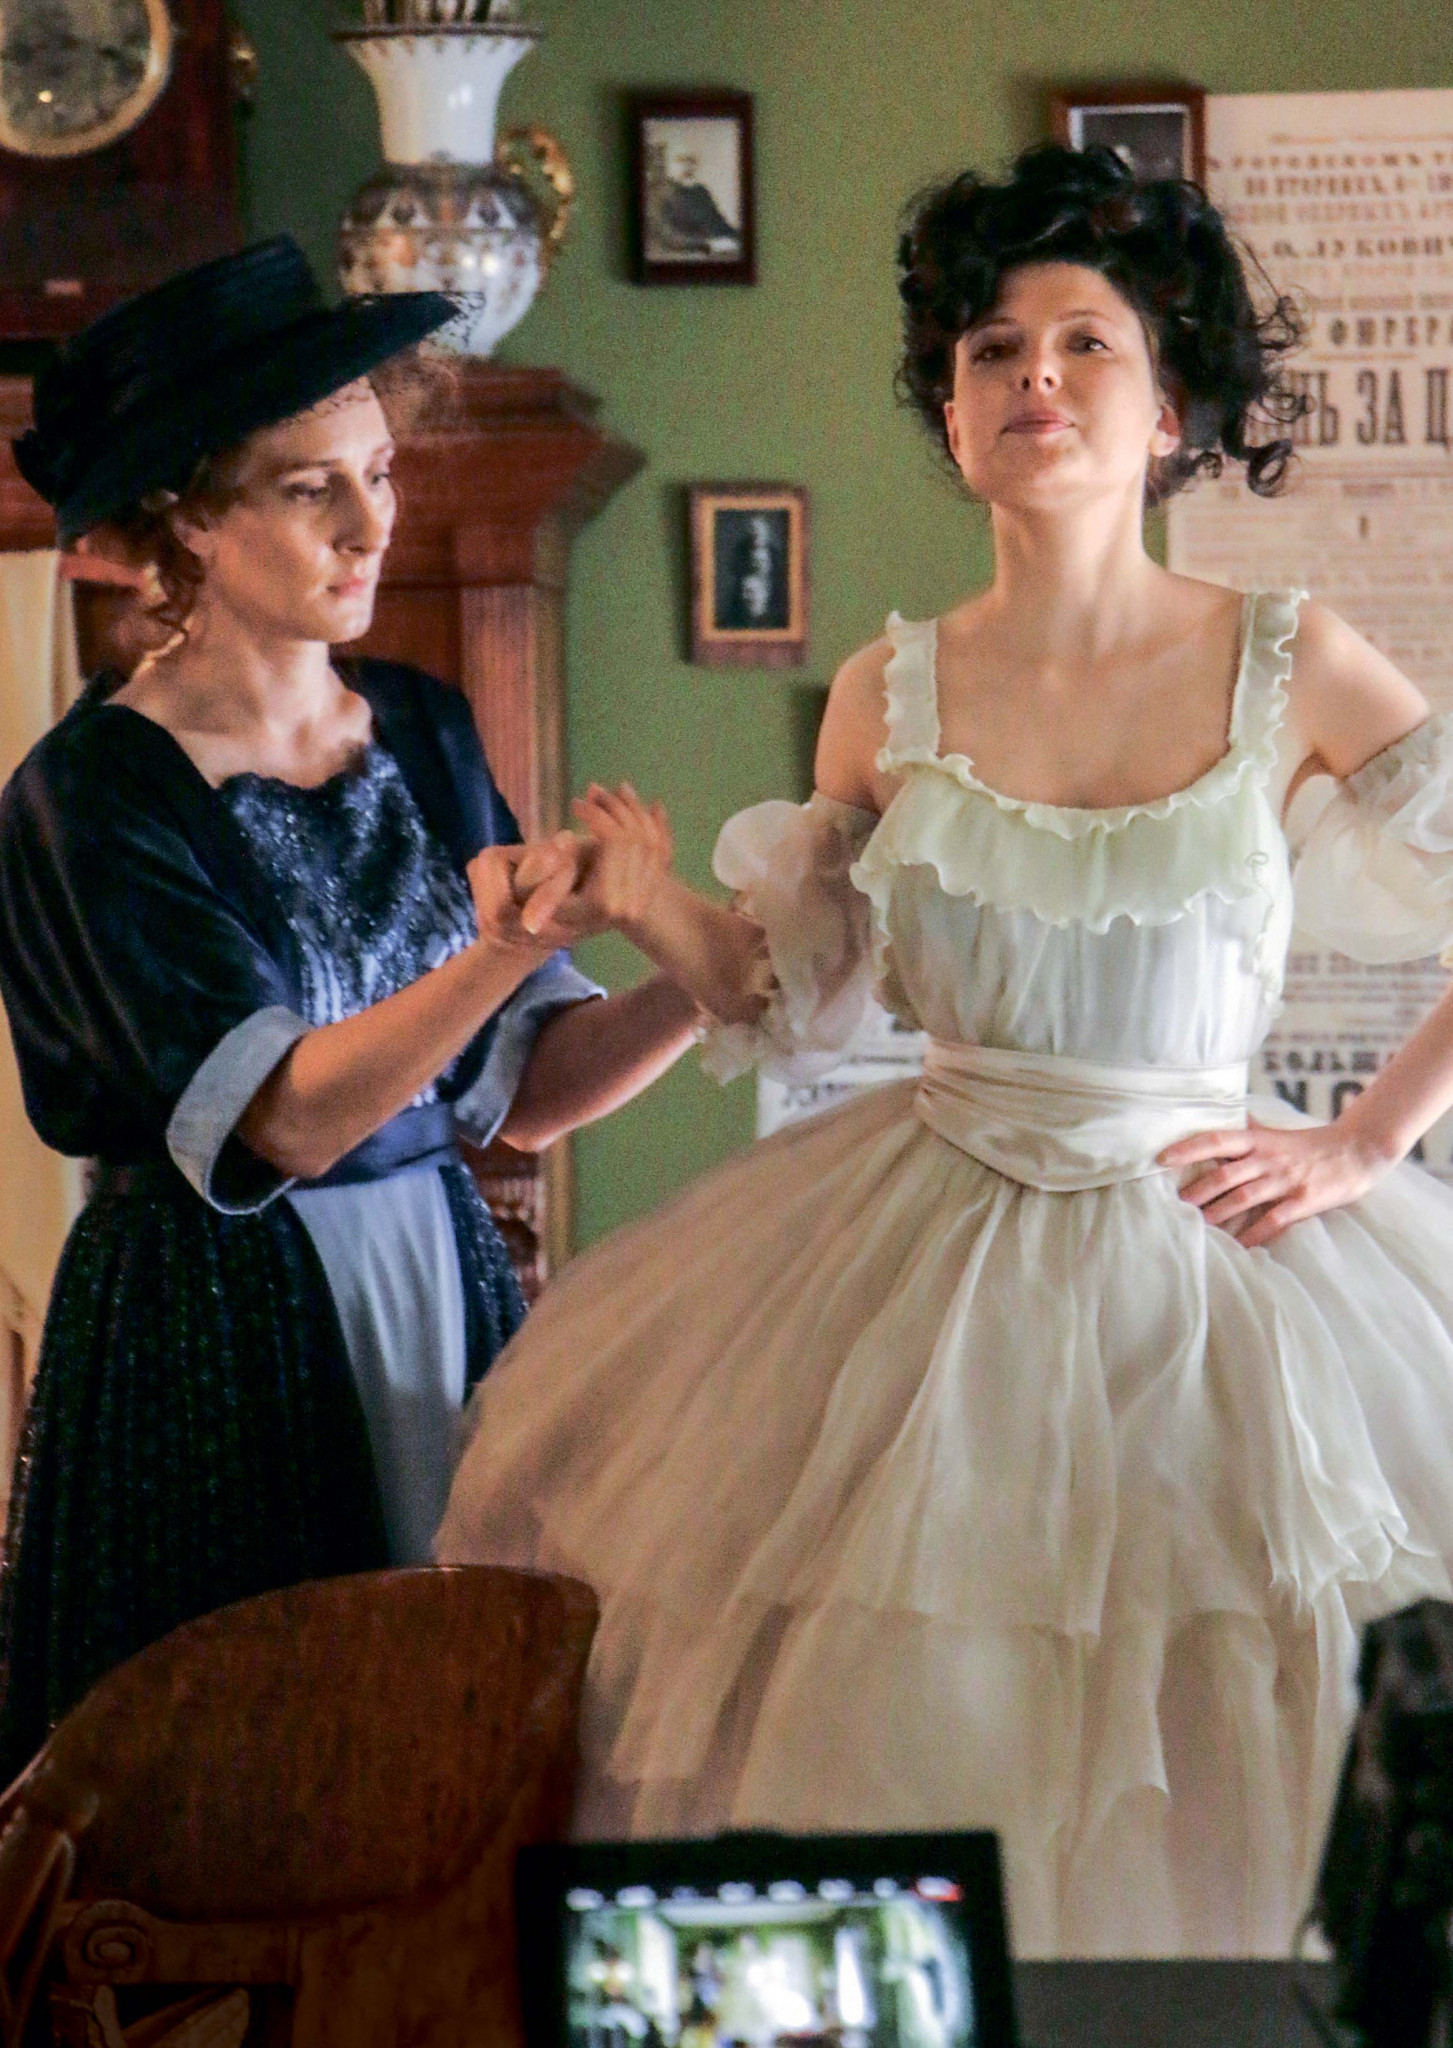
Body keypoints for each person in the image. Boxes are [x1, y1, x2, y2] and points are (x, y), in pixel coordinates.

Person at [438, 143, 1453, 1958]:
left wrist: (1364, 1143)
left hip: (1213, 1249)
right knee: (916, 1726)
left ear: (1168, 413)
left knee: (1241, 1718)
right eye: (990, 350)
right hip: (928, 1248)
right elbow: (800, 996)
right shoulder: (884, 691)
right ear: (953, 411)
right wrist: (647, 904)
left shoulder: (1287, 657)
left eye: (1084, 344)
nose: (1032, 377)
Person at [0, 236, 699, 1778]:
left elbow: (525, 1092)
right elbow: (287, 1122)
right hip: (213, 1329)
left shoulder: (427, 731)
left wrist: (716, 975)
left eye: (378, 472)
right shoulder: (92, 794)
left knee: (466, 1758)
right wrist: (499, 950)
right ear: (188, 515)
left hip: (441, 1290)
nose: (371, 523)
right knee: (250, 1776)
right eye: (309, 487)